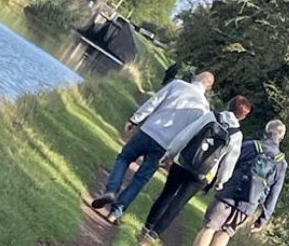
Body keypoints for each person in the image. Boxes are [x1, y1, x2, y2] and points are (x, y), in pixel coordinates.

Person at [91, 70, 214, 223]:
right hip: (165, 146)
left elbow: (154, 101)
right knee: (141, 178)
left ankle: (111, 189)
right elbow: (190, 135)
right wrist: (173, 155)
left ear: (196, 77)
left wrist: (135, 119)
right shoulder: (204, 109)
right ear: (209, 88)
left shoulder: (177, 85)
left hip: (148, 131)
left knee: (124, 158)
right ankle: (116, 212)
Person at [137, 95, 252, 246]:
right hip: (203, 174)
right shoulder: (236, 135)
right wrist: (221, 181)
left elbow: (187, 134)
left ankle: (145, 229)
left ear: (229, 105)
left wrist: (170, 153)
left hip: (183, 161)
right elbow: (229, 162)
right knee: (178, 203)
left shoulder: (210, 116)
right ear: (243, 117)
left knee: (166, 194)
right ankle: (151, 238)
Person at [176, 119, 288, 246]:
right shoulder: (281, 164)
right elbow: (274, 194)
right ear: (281, 138)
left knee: (210, 226)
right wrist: (263, 219)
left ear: (265, 132)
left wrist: (213, 183)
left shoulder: (250, 146)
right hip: (248, 203)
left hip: (229, 193)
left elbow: (228, 164)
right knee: (228, 231)